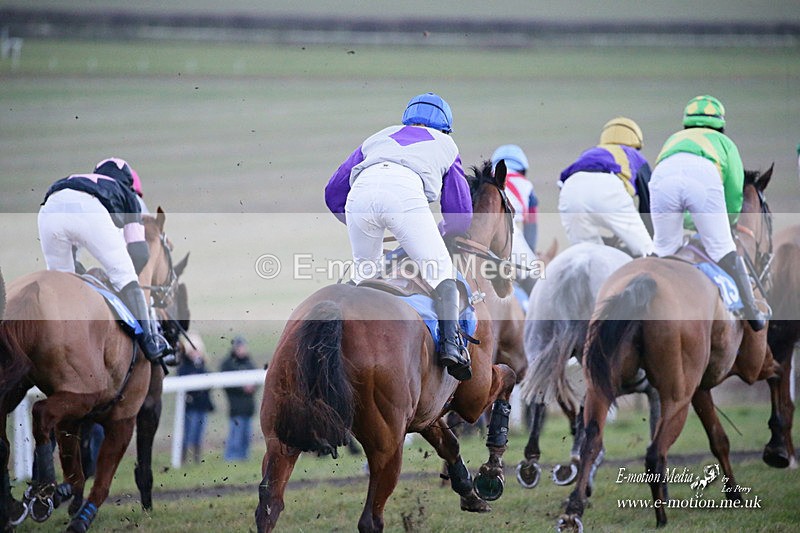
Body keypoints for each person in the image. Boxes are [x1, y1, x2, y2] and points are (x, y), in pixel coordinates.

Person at [324, 92, 474, 381]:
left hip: (359, 197)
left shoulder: (378, 136)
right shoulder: (446, 143)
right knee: (442, 271)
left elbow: (333, 194)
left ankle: (344, 346)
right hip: (405, 196)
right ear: (444, 127)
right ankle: (452, 348)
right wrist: (441, 231)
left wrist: (363, 223)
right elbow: (460, 216)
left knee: (364, 278)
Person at [649, 94, 768, 331]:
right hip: (702, 175)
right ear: (721, 125)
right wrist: (728, 222)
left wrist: (689, 223)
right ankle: (752, 312)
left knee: (663, 249)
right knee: (723, 247)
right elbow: (734, 192)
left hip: (662, 175)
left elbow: (674, 195)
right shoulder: (725, 143)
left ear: (686, 123)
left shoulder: (673, 139)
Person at [37, 157, 170, 362]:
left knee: (62, 285)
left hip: (48, 209)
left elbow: (73, 260)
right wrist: (121, 281)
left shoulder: (82, 180)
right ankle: (150, 344)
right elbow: (140, 253)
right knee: (125, 276)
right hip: (89, 210)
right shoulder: (127, 193)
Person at [557, 116, 654, 257]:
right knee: (648, 252)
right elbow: (648, 206)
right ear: (635, 143)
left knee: (586, 258)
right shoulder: (634, 155)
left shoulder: (591, 152)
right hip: (607, 186)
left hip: (570, 189)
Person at [490, 144, 539, 265]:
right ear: (523, 170)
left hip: (481, 234)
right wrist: (530, 253)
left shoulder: (485, 183)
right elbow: (530, 228)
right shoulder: (527, 186)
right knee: (534, 276)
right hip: (510, 232)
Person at [178, 331, 214, 464]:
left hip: (201, 406)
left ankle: (196, 460)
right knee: (188, 434)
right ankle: (183, 460)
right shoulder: (184, 367)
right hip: (190, 407)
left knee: (198, 435)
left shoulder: (202, 366)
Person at [220, 335, 257, 461]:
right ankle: (231, 458)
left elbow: (256, 380)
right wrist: (243, 388)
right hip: (236, 408)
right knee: (235, 436)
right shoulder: (228, 364)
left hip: (248, 408)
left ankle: (244, 458)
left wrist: (252, 387)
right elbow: (226, 383)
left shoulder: (249, 362)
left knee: (246, 436)